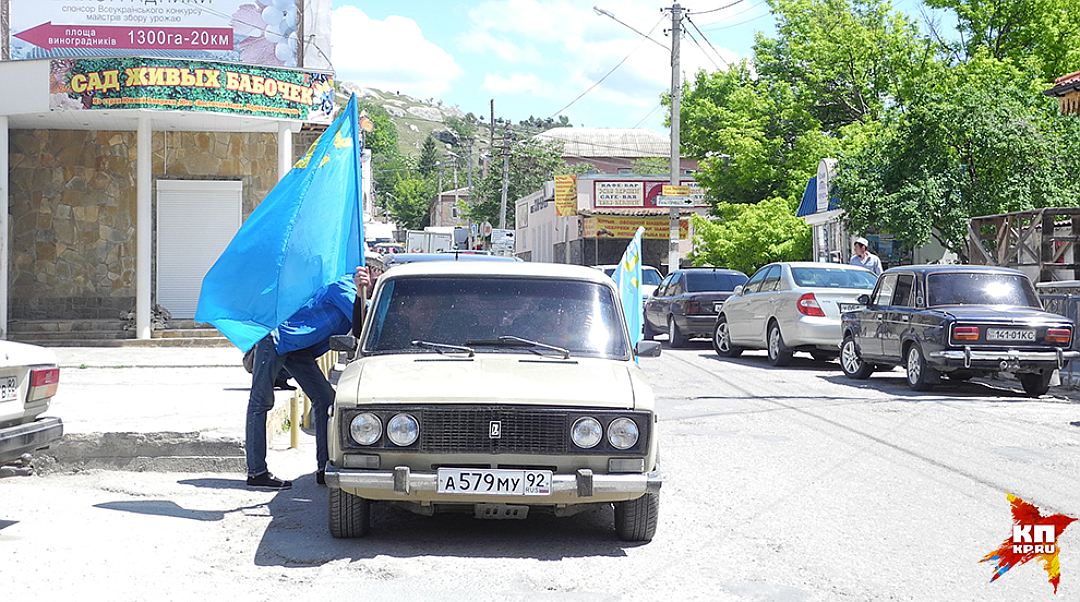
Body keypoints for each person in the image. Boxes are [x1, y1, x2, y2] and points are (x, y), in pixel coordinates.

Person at [245, 266, 372, 490]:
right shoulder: (340, 286)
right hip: (277, 338)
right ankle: (257, 473)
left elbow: (361, 326)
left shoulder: (352, 292)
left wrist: (366, 293)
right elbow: (368, 320)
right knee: (260, 403)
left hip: (298, 348)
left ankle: (323, 468)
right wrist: (364, 291)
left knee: (326, 400)